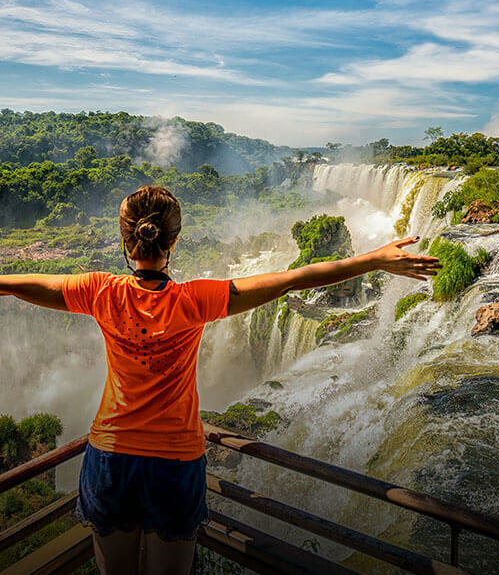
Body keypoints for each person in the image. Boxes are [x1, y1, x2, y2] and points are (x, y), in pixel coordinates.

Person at [0, 185, 441, 575]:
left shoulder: (100, 290)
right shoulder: (196, 299)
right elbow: (292, 280)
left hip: (111, 458)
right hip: (175, 462)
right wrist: (376, 260)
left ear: (125, 240)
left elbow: (20, 285)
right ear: (172, 241)